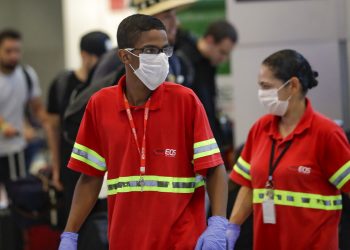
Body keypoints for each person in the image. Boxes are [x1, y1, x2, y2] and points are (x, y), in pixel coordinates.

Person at [58, 14, 228, 250]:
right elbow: (90, 176)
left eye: (164, 50)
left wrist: (218, 223)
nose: (159, 58)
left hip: (182, 241)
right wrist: (70, 234)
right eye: (150, 50)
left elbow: (214, 168)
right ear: (124, 55)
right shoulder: (100, 105)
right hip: (125, 241)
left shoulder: (185, 101)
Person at [226, 49, 350, 250]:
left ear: (292, 85)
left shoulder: (327, 134)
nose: (261, 93)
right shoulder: (260, 129)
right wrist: (232, 227)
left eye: (266, 86)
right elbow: (247, 185)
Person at [62, 0, 197, 140]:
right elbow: (96, 113)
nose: (176, 23)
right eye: (168, 16)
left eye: (175, 15)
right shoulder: (117, 60)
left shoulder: (174, 61)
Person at [47, 31, 111, 230]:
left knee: (101, 222)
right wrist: (56, 167)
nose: (105, 63)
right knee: (75, 220)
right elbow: (53, 126)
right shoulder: (63, 84)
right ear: (85, 55)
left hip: (102, 164)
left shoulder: (109, 84)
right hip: (72, 163)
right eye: (100, 57)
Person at [0, 29, 59, 189]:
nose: (14, 55)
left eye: (17, 51)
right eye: (8, 51)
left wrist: (51, 124)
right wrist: (4, 126)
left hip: (15, 149)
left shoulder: (26, 75)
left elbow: (38, 108)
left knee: (18, 198)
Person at [176, 20, 238, 152]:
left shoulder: (209, 63)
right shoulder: (183, 60)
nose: (224, 59)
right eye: (222, 52)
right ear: (209, 40)